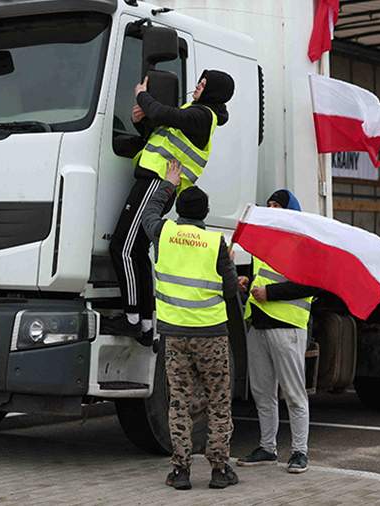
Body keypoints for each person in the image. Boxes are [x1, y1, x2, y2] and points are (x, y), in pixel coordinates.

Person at [106, 70, 235, 343]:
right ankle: (143, 323)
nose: (197, 87)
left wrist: (142, 95)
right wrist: (140, 120)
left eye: (203, 84)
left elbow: (166, 115)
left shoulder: (203, 116)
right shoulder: (195, 112)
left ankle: (130, 319)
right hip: (154, 180)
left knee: (123, 247)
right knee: (137, 250)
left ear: (213, 92)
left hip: (157, 182)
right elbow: (161, 133)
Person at [141, 159, 239, 490]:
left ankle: (181, 471)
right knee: (218, 400)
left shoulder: (164, 233)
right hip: (211, 335)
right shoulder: (216, 245)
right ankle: (219, 469)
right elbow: (228, 291)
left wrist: (168, 182)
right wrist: (229, 266)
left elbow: (148, 213)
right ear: (206, 213)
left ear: (179, 209)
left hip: (175, 335)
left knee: (179, 402)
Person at [235, 190, 319, 474]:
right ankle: (267, 448)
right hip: (258, 326)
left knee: (294, 394)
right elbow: (263, 277)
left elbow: (310, 285)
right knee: (262, 393)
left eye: (277, 205)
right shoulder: (266, 242)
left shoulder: (303, 244)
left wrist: (269, 292)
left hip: (287, 328)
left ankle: (299, 452)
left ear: (291, 210)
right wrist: (247, 281)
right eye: (269, 204)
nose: (271, 208)